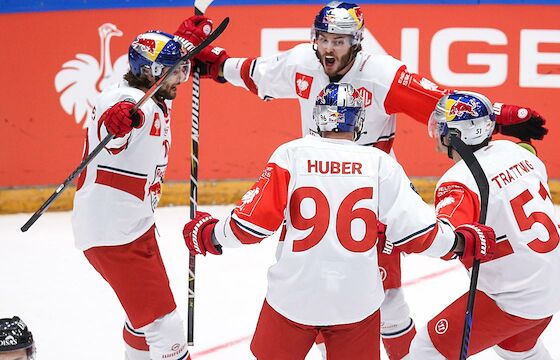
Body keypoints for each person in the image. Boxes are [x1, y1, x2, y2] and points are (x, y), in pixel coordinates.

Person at [174, 3, 548, 358]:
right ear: (314, 38)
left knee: (388, 299)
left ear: (356, 42)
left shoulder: (383, 74)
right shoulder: (302, 62)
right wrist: (212, 62)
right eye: (324, 39)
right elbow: (256, 73)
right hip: (318, 183)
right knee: (325, 290)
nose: (329, 48)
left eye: (339, 41)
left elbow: (442, 102)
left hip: (372, 193)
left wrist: (496, 114)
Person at [182, 83, 496, 359]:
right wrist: (461, 241)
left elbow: (251, 225)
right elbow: (418, 234)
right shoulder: (380, 164)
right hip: (355, 303)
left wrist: (209, 234)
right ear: (359, 121)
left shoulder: (291, 154)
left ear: (318, 117)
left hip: (293, 297)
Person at [408, 91, 560, 359]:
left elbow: (444, 243)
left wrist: (409, 214)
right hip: (557, 282)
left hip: (515, 297)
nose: (437, 131)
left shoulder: (458, 181)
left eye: (442, 125)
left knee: (427, 349)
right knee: (518, 349)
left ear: (456, 135)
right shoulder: (518, 152)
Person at [71, 31, 192, 360]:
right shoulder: (125, 100)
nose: (181, 77)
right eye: (174, 70)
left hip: (132, 226)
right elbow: (114, 123)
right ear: (150, 72)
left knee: (141, 320)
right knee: (165, 328)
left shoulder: (154, 98)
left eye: (183, 68)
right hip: (116, 234)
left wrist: (186, 34)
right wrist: (118, 120)